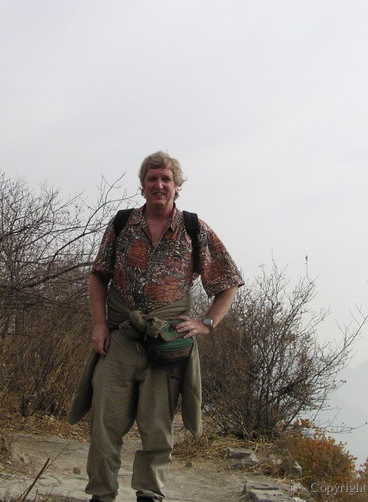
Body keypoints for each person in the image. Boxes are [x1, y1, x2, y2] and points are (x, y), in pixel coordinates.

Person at [69, 151, 243, 502]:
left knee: (158, 429)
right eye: (152, 179)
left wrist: (206, 322)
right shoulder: (121, 224)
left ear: (177, 186)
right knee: (105, 425)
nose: (159, 185)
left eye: (166, 179)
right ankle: (101, 494)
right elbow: (98, 275)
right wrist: (99, 325)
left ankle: (149, 493)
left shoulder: (194, 228)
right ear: (143, 185)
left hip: (166, 344)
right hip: (119, 339)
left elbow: (228, 282)